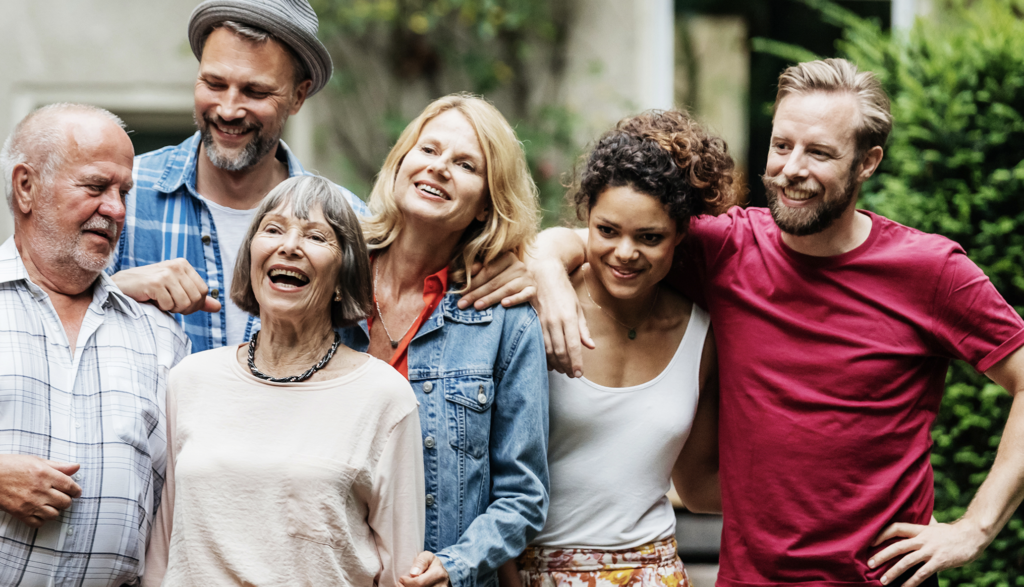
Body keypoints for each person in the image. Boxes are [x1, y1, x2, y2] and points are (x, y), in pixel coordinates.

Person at [531, 58, 1024, 587]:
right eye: (782, 145)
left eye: (819, 152)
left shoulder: (930, 271)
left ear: (867, 162)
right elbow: (609, 239)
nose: (791, 168)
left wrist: (975, 527)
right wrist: (548, 269)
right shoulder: (724, 249)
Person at [110, 0, 532, 352]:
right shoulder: (126, 192)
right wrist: (114, 291)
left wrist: (539, 265)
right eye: (214, 84)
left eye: (255, 92)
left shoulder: (348, 221)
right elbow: (49, 317)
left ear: (298, 96)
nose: (228, 109)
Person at [143, 175, 425, 586]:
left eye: (316, 236)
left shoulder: (383, 397)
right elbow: (161, 556)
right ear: (252, 256)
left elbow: (402, 569)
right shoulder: (189, 380)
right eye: (273, 229)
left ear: (342, 277)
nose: (289, 246)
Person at [338, 93, 549, 587]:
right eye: (428, 150)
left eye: (465, 164)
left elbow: (523, 495)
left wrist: (455, 564)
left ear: (485, 204)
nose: (438, 169)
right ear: (400, 162)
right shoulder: (331, 275)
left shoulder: (506, 322)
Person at [517, 111, 729, 587]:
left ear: (680, 235)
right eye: (607, 231)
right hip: (535, 571)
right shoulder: (542, 301)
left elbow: (697, 486)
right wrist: (547, 270)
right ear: (586, 219)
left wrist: (818, 490)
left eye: (649, 237)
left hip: (655, 574)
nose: (625, 253)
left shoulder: (702, 332)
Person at [0, 103, 190, 586]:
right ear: (27, 187)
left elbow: (179, 505)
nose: (117, 209)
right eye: (95, 186)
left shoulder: (160, 336)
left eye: (124, 191)